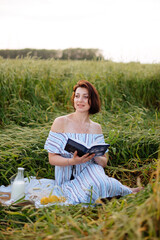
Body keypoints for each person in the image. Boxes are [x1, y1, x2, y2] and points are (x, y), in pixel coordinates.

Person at [44, 80, 142, 205]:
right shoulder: (61, 122)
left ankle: (122, 190)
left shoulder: (96, 127)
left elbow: (104, 162)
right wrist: (73, 161)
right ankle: (125, 191)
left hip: (92, 171)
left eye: (86, 97)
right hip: (68, 178)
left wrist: (94, 155)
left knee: (100, 183)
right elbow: (52, 159)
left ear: (92, 100)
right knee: (90, 191)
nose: (80, 101)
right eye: (77, 96)